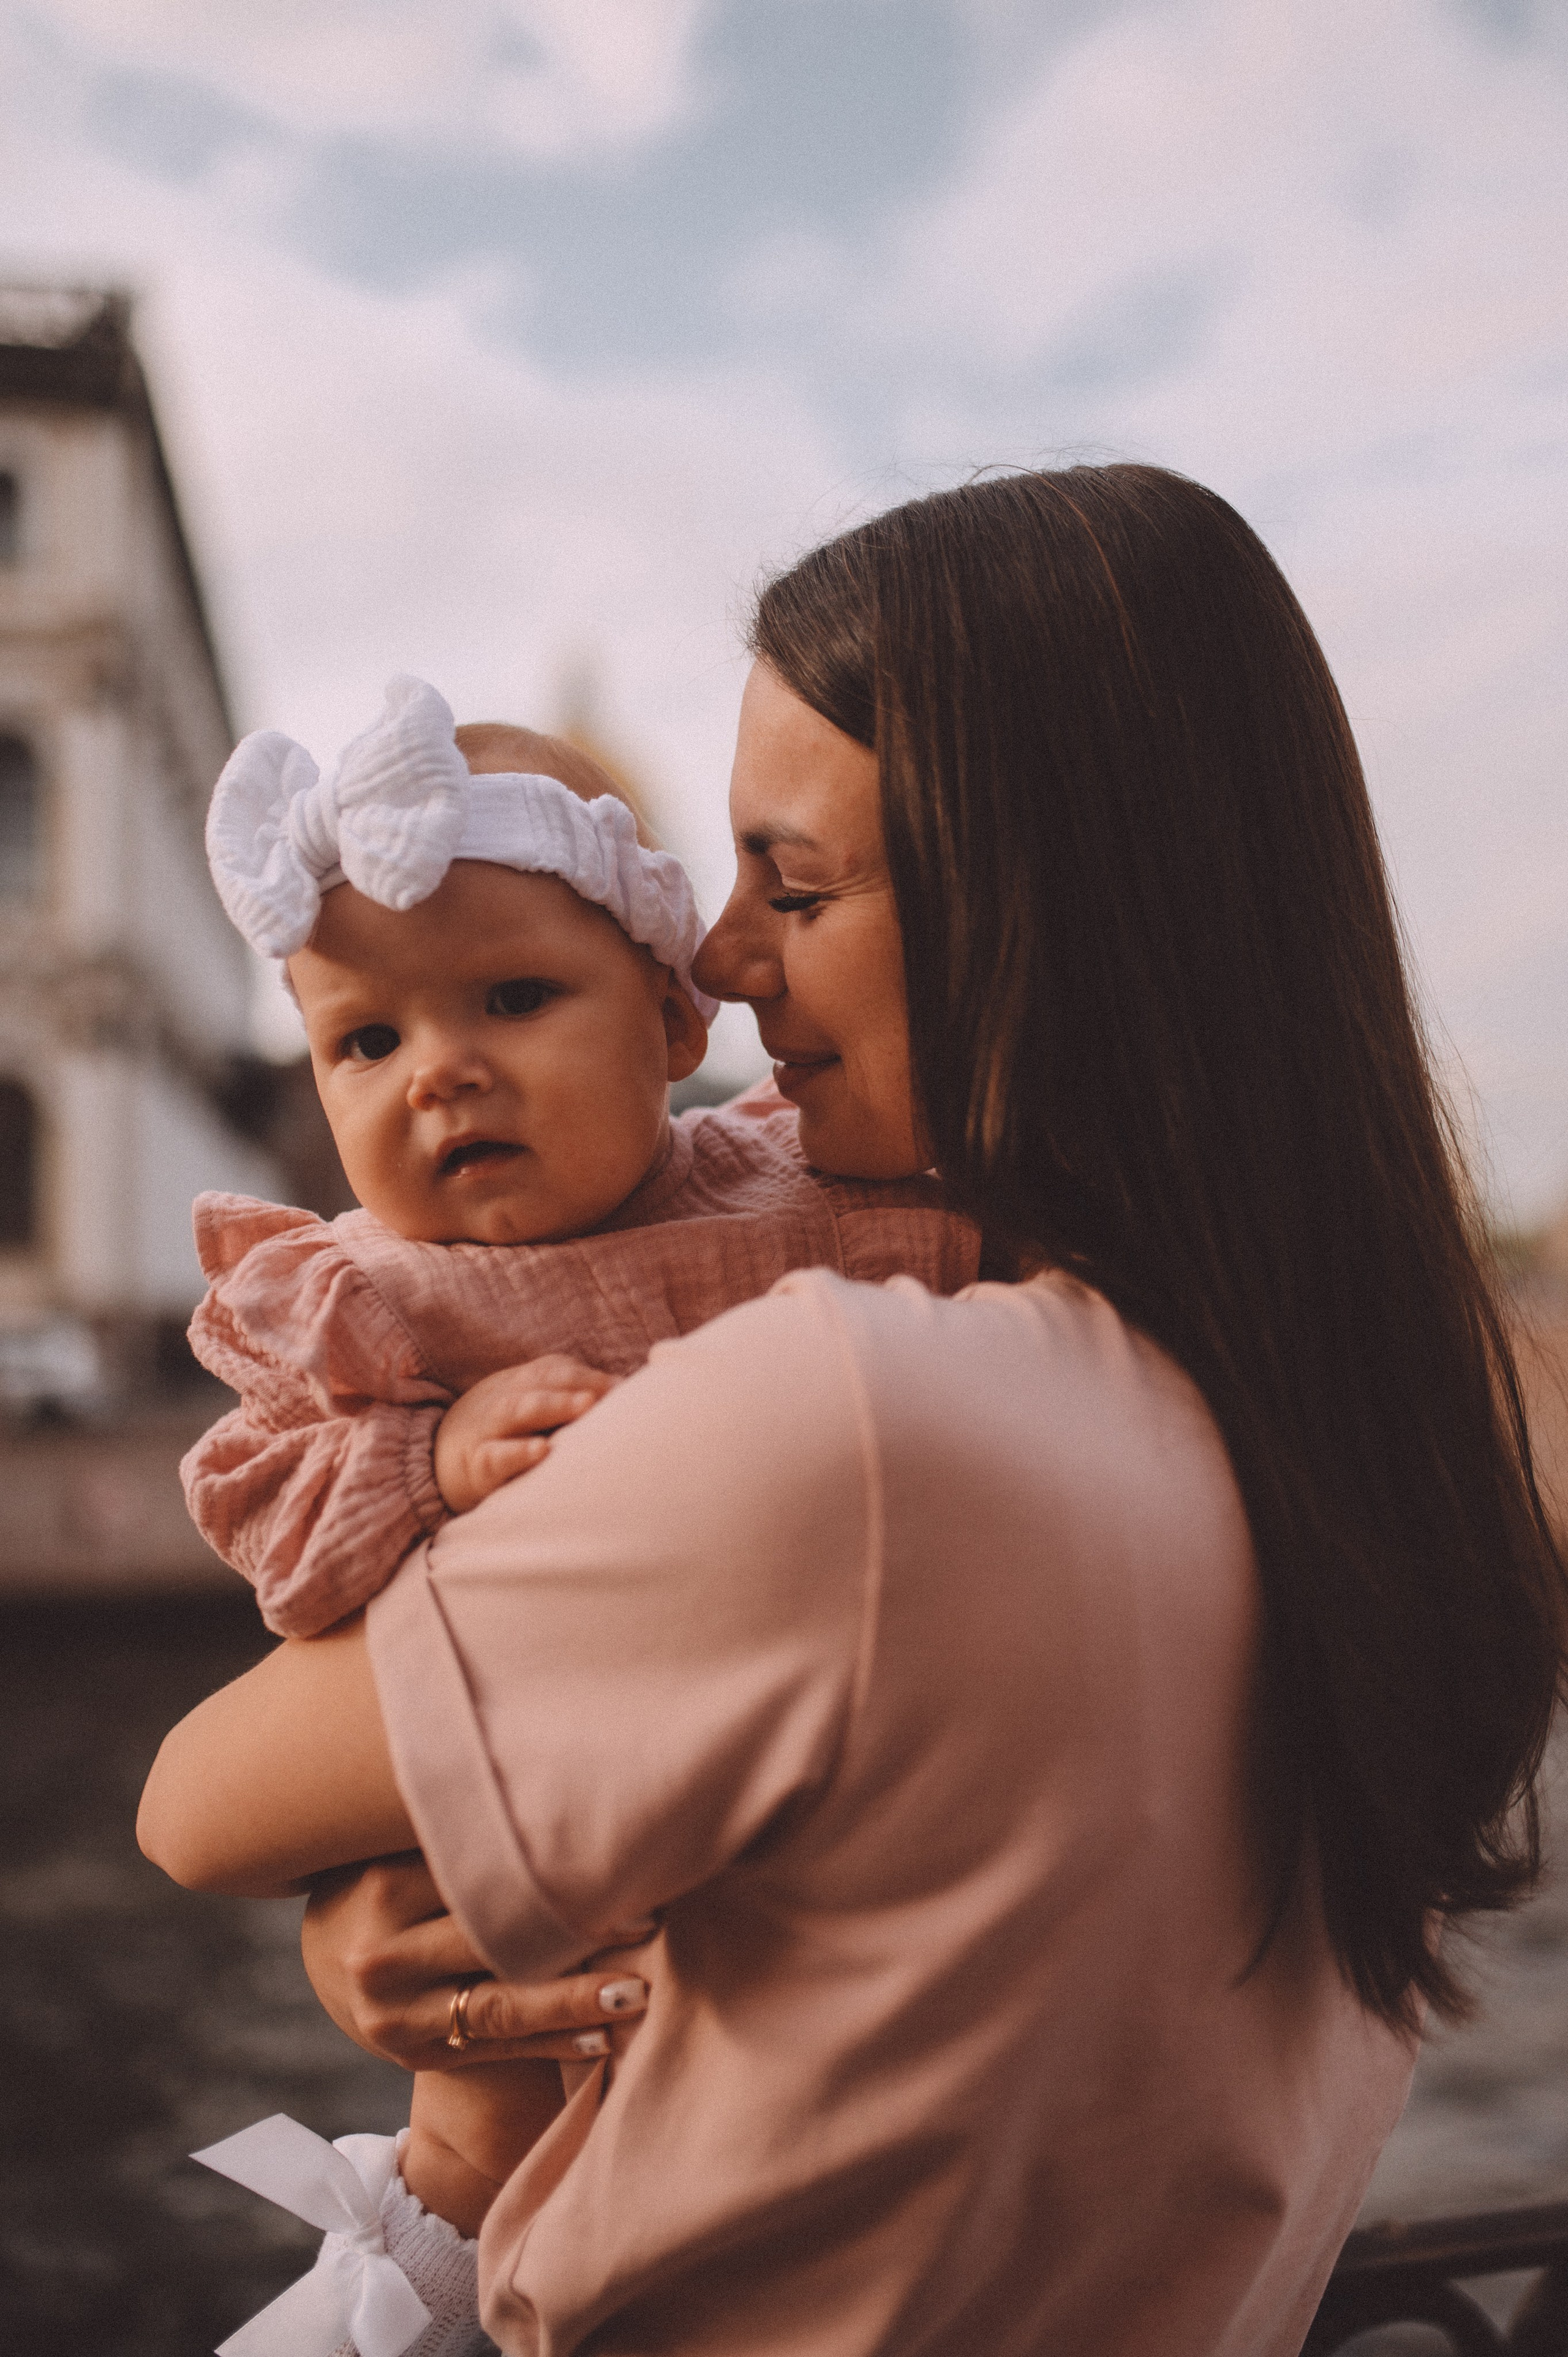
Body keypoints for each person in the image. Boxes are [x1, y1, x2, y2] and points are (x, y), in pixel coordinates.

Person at [140, 464, 1566, 2357]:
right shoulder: (1394, 1434)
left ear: (1047, 910)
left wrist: (380, 1931)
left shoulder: (859, 1420)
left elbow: (193, 1806)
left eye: (791, 885)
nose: (723, 964)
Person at [176, 671, 981, 2283]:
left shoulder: (799, 1189)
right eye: (368, 1039)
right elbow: (262, 1512)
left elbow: (958, 1266)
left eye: (514, 1002)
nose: (440, 1072)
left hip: (750, 1813)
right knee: (484, 2103)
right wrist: (424, 1452)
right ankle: (428, 2266)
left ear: (677, 1022)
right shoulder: (369, 1300)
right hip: (520, 1821)